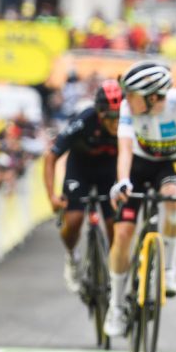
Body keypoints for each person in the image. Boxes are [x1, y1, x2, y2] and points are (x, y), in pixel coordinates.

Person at [103, 61, 176, 337]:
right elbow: (124, 149)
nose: (127, 100)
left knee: (175, 196)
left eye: (132, 95)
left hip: (168, 166)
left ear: (151, 97)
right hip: (137, 165)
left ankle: (169, 268)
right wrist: (122, 181)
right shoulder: (128, 108)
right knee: (123, 233)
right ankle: (115, 306)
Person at [44, 79, 122, 293]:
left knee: (114, 225)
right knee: (75, 219)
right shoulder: (85, 120)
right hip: (80, 170)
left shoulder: (128, 125)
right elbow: (51, 157)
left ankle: (115, 271)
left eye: (120, 116)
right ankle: (72, 257)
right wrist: (52, 196)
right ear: (99, 113)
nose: (116, 123)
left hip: (109, 173)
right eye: (111, 117)